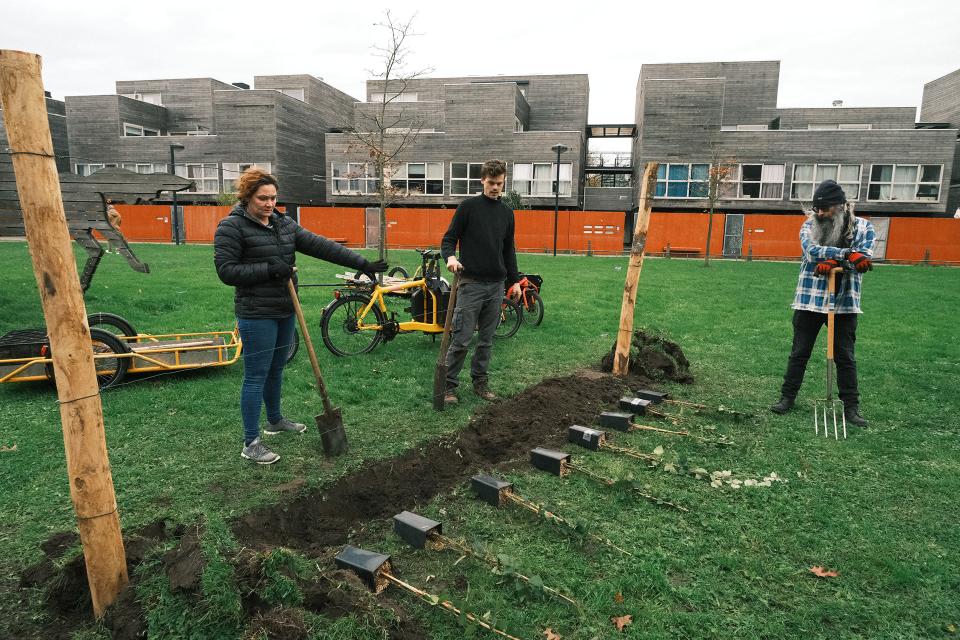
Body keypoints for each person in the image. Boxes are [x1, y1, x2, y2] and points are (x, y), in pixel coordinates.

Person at [214, 167, 386, 464]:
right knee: (256, 374)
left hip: (284, 308)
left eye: (273, 198)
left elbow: (320, 245)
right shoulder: (231, 227)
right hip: (256, 313)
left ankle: (275, 421)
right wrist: (270, 270)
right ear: (246, 197)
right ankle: (250, 442)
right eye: (262, 199)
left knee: (277, 367)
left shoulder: (283, 224)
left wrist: (363, 262)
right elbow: (226, 271)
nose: (269, 205)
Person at [770, 179, 876, 426]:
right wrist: (847, 255)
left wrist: (839, 263)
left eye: (824, 208)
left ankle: (851, 408)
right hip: (809, 301)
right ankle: (787, 397)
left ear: (840, 206)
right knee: (799, 352)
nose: (818, 213)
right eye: (816, 208)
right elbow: (811, 252)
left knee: (845, 356)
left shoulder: (864, 228)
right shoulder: (809, 225)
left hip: (844, 303)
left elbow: (865, 260)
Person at [440, 159, 522, 404]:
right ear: (482, 181)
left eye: (499, 183)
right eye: (491, 183)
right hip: (470, 284)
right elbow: (448, 239)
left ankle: (480, 384)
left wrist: (514, 282)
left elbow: (509, 251)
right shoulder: (468, 208)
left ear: (504, 181)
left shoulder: (507, 213)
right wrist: (451, 258)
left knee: (486, 341)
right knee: (462, 338)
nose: (495, 187)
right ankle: (448, 386)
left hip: (495, 286)